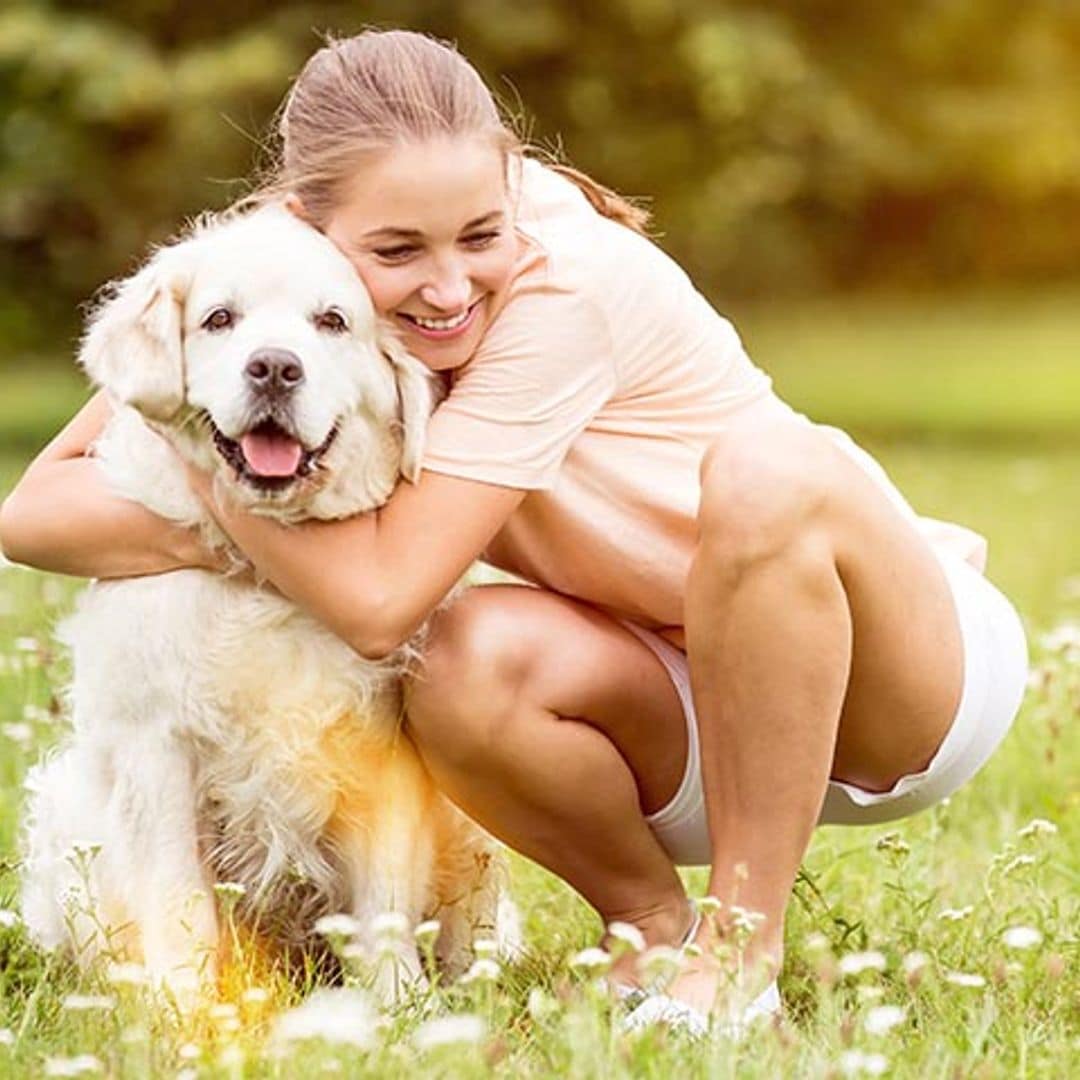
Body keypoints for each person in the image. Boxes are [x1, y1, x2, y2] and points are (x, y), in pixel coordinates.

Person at [0, 29, 1028, 1030]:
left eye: (480, 236)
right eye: (398, 251)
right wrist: (212, 421)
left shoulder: (565, 287)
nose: (449, 287)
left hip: (889, 688)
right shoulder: (283, 282)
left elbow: (373, 604)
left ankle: (739, 961)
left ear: (511, 190)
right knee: (458, 658)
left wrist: (208, 448)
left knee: (767, 472)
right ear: (311, 225)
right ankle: (649, 929)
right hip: (680, 699)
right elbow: (39, 509)